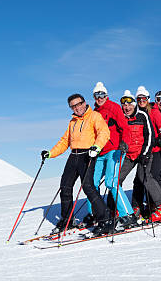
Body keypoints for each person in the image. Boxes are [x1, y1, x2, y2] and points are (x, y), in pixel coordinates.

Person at [40, 93, 112, 235]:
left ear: (84, 103)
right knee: (65, 187)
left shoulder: (94, 116)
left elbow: (104, 132)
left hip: (88, 154)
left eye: (78, 104)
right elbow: (64, 142)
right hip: (74, 156)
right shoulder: (72, 122)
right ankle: (67, 220)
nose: (77, 108)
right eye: (73, 106)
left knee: (88, 187)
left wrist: (96, 147)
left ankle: (105, 219)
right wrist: (50, 153)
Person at [116, 90, 161, 223]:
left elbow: (150, 135)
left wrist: (146, 153)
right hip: (129, 154)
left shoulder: (144, 115)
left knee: (145, 177)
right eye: (124, 105)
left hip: (144, 152)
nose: (127, 107)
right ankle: (122, 209)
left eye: (129, 104)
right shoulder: (121, 117)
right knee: (116, 179)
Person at [81, 82, 134, 230]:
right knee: (91, 184)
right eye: (96, 95)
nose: (99, 98)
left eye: (102, 95)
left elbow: (125, 128)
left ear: (107, 95)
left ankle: (128, 215)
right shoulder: (94, 113)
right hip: (99, 153)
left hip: (115, 150)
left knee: (111, 182)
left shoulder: (114, 107)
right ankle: (97, 215)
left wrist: (124, 143)